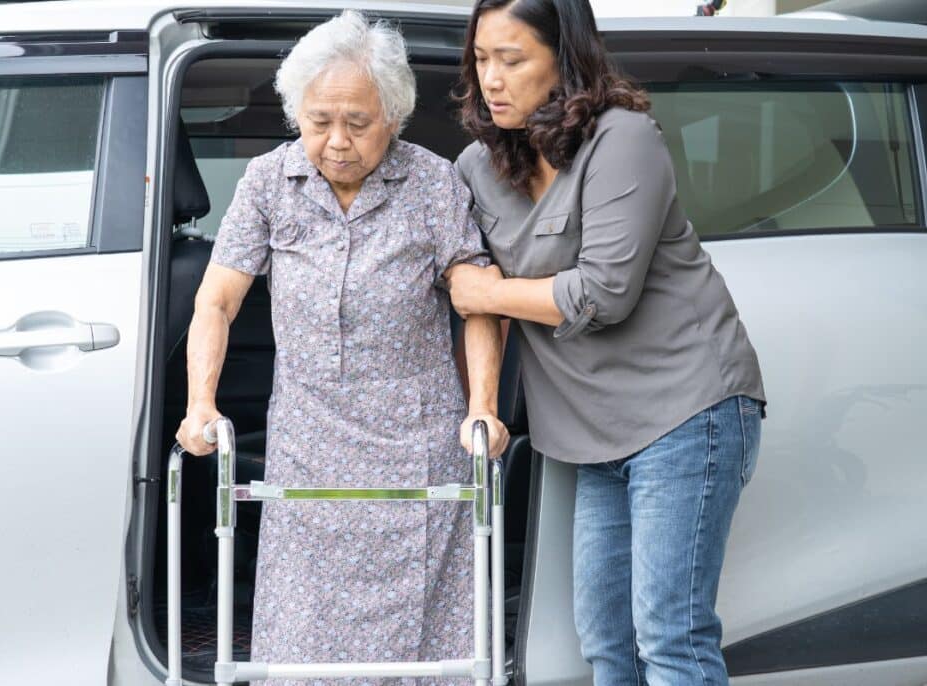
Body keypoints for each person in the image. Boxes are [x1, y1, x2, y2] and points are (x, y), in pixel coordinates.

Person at [175, 10, 508, 684]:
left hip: (413, 445)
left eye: (357, 123)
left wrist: (482, 408)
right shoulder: (270, 182)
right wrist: (200, 404)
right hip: (309, 444)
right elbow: (217, 301)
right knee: (303, 646)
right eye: (319, 120)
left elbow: (479, 304)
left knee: (420, 653)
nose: (335, 142)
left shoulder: (432, 184)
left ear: (393, 116)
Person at [447, 1, 767, 683]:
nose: (491, 79)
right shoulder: (476, 167)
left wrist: (491, 292)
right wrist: (483, 402)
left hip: (686, 410)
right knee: (603, 644)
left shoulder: (623, 139)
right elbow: (466, 284)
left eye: (512, 59)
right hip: (593, 435)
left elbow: (603, 293)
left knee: (671, 637)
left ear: (563, 60)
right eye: (481, 59)